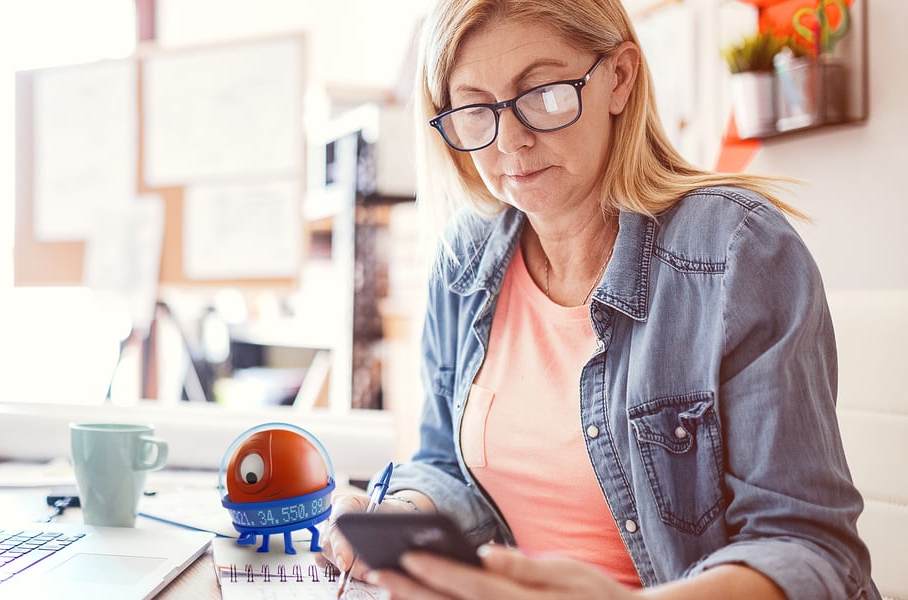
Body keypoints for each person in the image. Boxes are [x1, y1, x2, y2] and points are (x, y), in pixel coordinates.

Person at [318, 1, 881, 599]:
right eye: (475, 108)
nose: (510, 140)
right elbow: (445, 464)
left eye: (542, 93)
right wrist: (400, 514)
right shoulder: (466, 258)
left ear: (619, 77)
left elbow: (809, 550)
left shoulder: (739, 253)